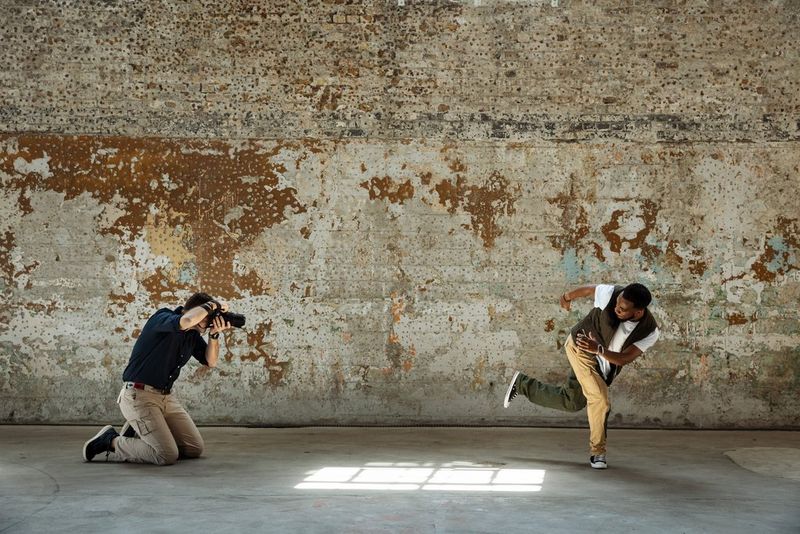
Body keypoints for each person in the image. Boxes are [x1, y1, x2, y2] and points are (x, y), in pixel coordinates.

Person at [503, 283, 659, 469]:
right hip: (581, 348)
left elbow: (624, 358)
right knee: (599, 400)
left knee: (572, 402)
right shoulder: (611, 294)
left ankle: (522, 384)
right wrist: (566, 297)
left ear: (638, 313)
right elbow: (588, 290)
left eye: (623, 308)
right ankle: (598, 453)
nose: (617, 307)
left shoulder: (649, 331)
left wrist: (599, 350)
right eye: (618, 302)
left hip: (602, 361)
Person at [82, 292, 232, 465]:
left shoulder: (192, 336)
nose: (209, 321)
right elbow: (186, 321)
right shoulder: (163, 317)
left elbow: (211, 362)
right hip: (138, 395)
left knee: (193, 448)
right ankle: (110, 441)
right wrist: (214, 305)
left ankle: (138, 430)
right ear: (192, 310)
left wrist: (214, 335)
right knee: (165, 455)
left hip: (165, 398)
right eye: (208, 317)